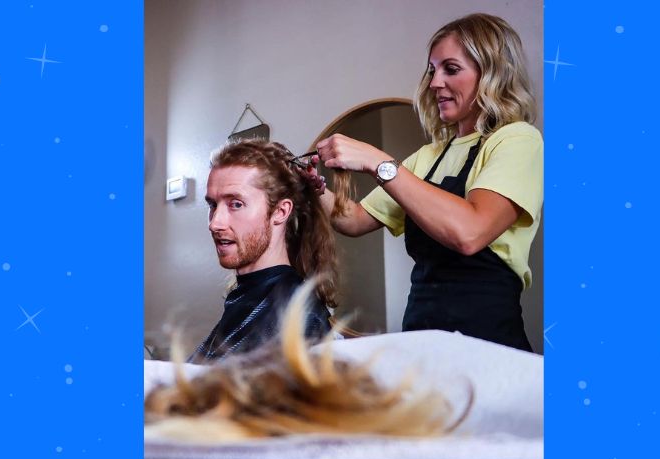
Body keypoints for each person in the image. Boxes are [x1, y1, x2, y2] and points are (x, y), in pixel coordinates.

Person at [308, 13, 542, 351]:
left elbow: (470, 233)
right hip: (419, 336)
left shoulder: (517, 140)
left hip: (486, 341)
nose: (434, 83)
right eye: (432, 70)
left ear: (492, 73)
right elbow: (354, 220)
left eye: (451, 68)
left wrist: (378, 161)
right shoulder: (427, 157)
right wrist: (312, 186)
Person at [188, 139, 338, 362]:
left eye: (236, 204)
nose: (215, 223)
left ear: (280, 211)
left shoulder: (300, 318)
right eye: (212, 205)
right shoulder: (244, 296)